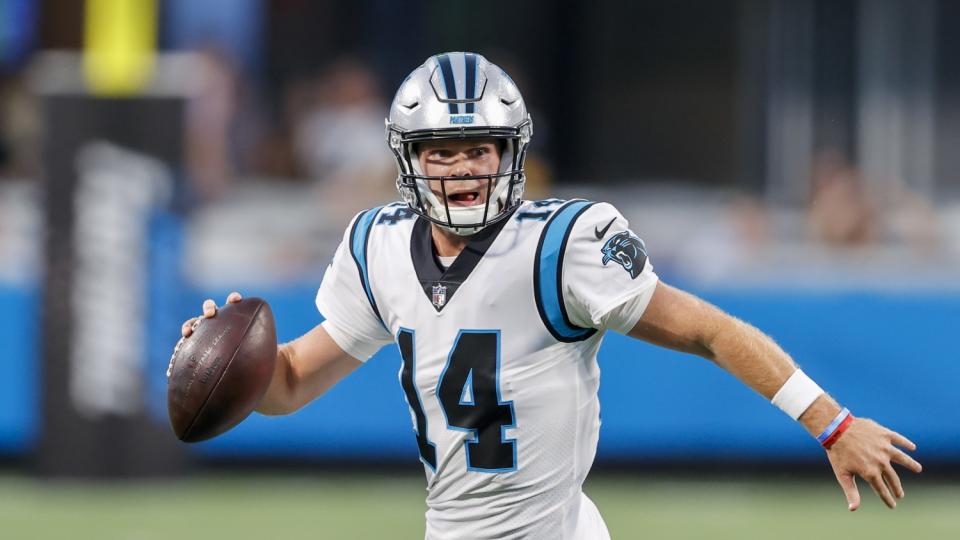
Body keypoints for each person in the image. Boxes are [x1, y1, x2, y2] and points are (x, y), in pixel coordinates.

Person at [177, 53, 922, 540]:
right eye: (443, 151)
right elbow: (294, 381)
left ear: (512, 153)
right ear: (410, 161)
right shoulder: (376, 246)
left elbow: (709, 331)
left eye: (481, 148)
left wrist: (831, 423)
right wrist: (230, 362)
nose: (464, 167)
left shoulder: (565, 244)